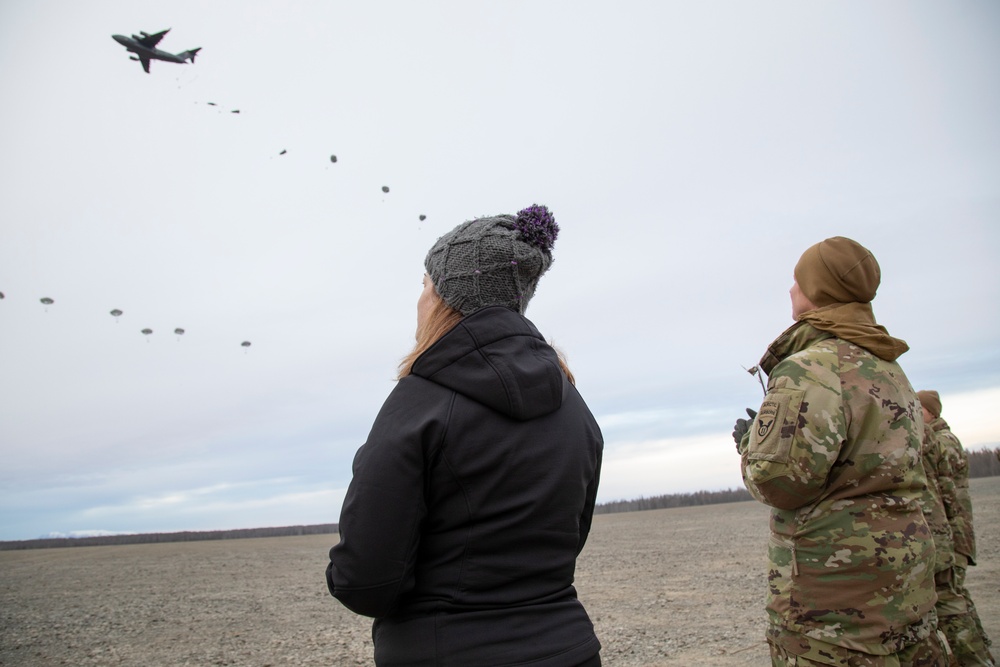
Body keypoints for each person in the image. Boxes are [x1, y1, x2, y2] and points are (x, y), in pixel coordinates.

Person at [326, 205, 604, 667]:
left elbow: (365, 580)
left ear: (448, 298)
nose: (419, 300)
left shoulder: (420, 400)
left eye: (424, 286)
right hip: (570, 651)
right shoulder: (573, 405)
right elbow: (566, 542)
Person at [732, 236, 946, 667]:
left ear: (818, 289)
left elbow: (779, 483)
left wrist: (751, 444)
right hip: (906, 587)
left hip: (834, 608)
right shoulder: (889, 367)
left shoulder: (810, 367)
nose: (791, 290)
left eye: (798, 280)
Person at [917, 390, 996, 667]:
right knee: (956, 597)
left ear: (931, 412)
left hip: (951, 532)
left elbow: (943, 489)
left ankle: (974, 657)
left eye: (919, 408)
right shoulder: (937, 439)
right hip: (950, 531)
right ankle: (977, 652)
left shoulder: (940, 441)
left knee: (950, 599)